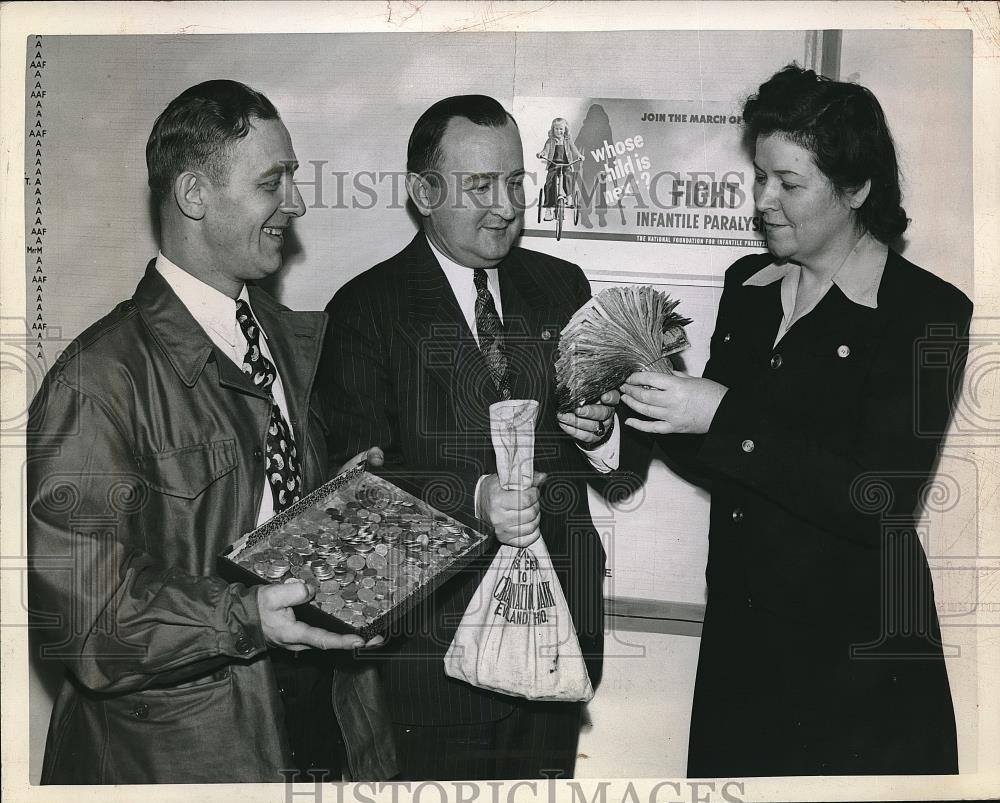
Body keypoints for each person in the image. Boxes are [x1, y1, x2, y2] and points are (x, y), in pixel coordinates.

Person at [27, 80, 396, 784]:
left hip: (316, 728)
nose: (297, 202)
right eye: (272, 182)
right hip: (186, 756)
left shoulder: (288, 342)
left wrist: (337, 511)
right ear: (195, 196)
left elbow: (259, 528)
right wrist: (244, 613)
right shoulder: (97, 380)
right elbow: (90, 618)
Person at [619, 65, 971, 776]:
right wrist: (645, 414)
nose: (762, 201)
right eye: (759, 177)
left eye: (788, 182)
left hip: (857, 671)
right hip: (741, 650)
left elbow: (878, 498)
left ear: (857, 188)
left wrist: (720, 410)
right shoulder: (746, 288)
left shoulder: (925, 314)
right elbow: (723, 457)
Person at [317, 95, 618, 780]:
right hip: (435, 653)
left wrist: (604, 432)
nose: (507, 206)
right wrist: (472, 498)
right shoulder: (367, 308)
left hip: (558, 642)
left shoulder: (563, 284)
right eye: (480, 186)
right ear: (424, 191)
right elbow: (349, 491)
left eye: (515, 182)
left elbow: (615, 447)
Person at [537, 116, 583, 221]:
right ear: (553, 130)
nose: (559, 131)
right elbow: (545, 150)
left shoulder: (567, 140)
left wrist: (579, 155)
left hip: (566, 164)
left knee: (568, 177)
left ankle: (569, 196)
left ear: (565, 129)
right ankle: (548, 209)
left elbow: (574, 149)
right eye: (556, 129)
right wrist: (541, 153)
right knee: (549, 182)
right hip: (553, 165)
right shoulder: (550, 140)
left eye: (561, 129)